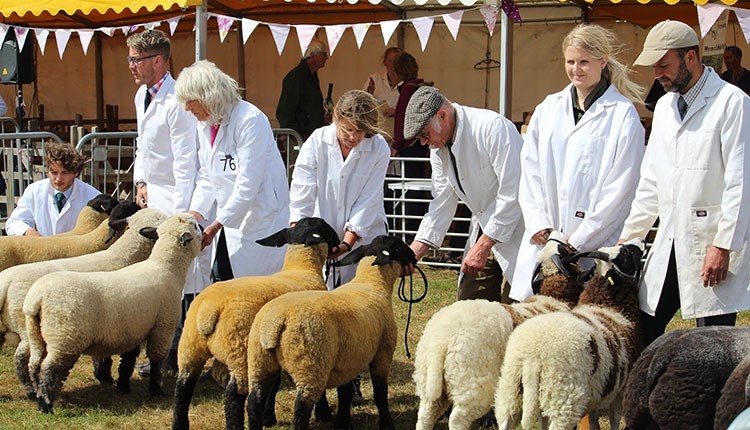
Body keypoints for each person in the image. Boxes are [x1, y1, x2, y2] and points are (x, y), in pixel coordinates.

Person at [620, 20, 750, 346]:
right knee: (644, 327)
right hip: (671, 239)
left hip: (713, 241)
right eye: (654, 67)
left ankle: (720, 398)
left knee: (715, 341)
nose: (657, 74)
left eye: (664, 65)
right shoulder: (664, 107)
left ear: (691, 58)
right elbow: (651, 179)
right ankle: (642, 396)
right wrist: (630, 237)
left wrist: (723, 246)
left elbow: (741, 180)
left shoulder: (732, 102)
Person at [510, 23, 646, 301]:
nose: (576, 69)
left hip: (596, 242)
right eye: (570, 61)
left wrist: (576, 242)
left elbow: (621, 188)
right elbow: (530, 171)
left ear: (602, 61)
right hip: (545, 240)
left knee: (586, 324)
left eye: (584, 62)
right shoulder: (548, 108)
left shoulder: (623, 115)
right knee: (539, 320)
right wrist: (539, 225)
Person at [127, 28, 207, 375]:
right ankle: (162, 350)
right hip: (153, 196)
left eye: (135, 59)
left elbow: (185, 160)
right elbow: (142, 145)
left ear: (157, 61)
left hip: (178, 195)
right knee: (158, 279)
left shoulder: (177, 100)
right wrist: (140, 181)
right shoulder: (140, 95)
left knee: (181, 279)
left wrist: (178, 216)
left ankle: (177, 352)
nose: (131, 65)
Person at [403, 85, 524, 303]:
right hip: (485, 226)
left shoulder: (492, 128)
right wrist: (414, 253)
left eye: (424, 134)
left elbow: (514, 191)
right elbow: (441, 203)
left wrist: (485, 243)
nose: (423, 142)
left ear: (442, 115)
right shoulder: (438, 151)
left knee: (517, 308)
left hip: (520, 229)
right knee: (471, 303)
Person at [176, 60, 290, 280]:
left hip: (259, 218)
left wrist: (216, 225)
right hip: (229, 222)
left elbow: (248, 185)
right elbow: (208, 176)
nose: (187, 109)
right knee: (224, 282)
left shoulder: (250, 120)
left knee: (257, 289)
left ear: (206, 96)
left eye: (190, 101)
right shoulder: (205, 124)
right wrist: (195, 213)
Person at [289, 89, 390, 290]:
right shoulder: (317, 142)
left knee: (360, 303)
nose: (353, 137)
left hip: (364, 237)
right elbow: (303, 189)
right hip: (320, 231)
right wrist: (297, 234)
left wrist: (347, 243)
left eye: (360, 131)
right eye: (347, 130)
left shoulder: (379, 149)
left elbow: (369, 199)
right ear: (336, 118)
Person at [5, 141, 101, 236]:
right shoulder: (34, 191)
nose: (58, 178)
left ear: (76, 173)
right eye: (54, 172)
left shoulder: (92, 197)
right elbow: (14, 222)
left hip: (80, 251)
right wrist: (28, 232)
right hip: (42, 248)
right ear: (47, 171)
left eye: (65, 173)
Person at [276, 38, 329, 140]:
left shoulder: (312, 76)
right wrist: (292, 133)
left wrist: (321, 117)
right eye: (323, 54)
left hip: (309, 134)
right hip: (299, 136)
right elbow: (285, 109)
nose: (326, 58)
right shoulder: (296, 77)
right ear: (312, 55)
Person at [364, 46, 401, 135]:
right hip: (378, 132)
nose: (393, 65)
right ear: (385, 62)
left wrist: (396, 111)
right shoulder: (375, 78)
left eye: (397, 61)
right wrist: (369, 92)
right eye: (390, 61)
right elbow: (363, 105)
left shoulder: (407, 83)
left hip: (398, 133)